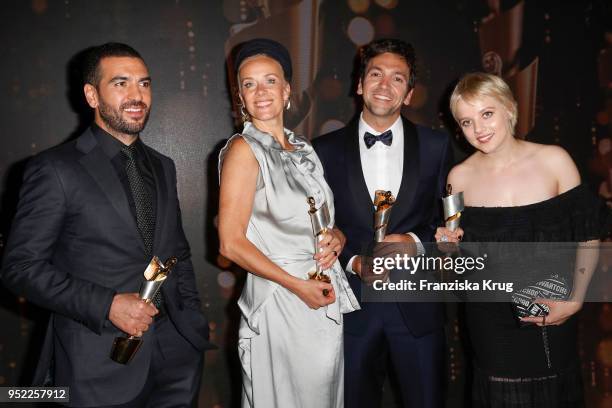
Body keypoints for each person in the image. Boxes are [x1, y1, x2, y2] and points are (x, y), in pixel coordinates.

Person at [1, 43, 212, 407]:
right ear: (91, 95)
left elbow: (177, 252)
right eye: (120, 83)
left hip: (176, 360)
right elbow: (20, 268)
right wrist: (107, 305)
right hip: (96, 368)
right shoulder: (55, 168)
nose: (136, 95)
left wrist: (191, 323)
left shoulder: (164, 166)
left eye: (144, 84)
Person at [436, 72, 603, 407]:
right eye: (466, 121)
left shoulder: (555, 160)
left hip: (552, 311)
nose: (478, 129)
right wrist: (447, 246)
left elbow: (588, 235)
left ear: (509, 108)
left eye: (487, 114)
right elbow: (458, 260)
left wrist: (576, 300)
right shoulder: (458, 177)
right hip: (489, 322)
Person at [218, 38, 359, 408]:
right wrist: (296, 286)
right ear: (241, 97)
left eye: (269, 81)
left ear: (286, 91)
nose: (260, 91)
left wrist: (337, 237)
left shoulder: (303, 149)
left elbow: (322, 219)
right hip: (282, 299)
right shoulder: (242, 151)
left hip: (320, 295)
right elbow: (230, 244)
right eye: (249, 84)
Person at [313, 38, 453, 408]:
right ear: (359, 84)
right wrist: (354, 262)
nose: (384, 86)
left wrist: (414, 241)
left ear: (409, 93)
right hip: (351, 312)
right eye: (375, 74)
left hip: (418, 311)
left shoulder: (437, 146)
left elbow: (449, 222)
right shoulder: (321, 151)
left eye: (397, 78)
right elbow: (315, 228)